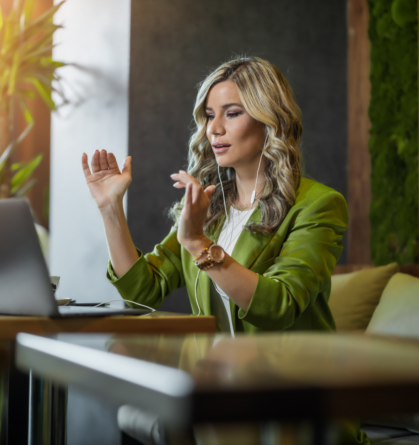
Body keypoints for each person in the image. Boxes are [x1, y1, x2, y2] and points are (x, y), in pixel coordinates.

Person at [81, 57, 368, 445]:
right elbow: (142, 289)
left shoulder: (318, 205)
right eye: (208, 116)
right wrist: (110, 208)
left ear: (271, 120)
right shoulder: (207, 207)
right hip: (221, 400)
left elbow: (280, 303)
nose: (213, 129)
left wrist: (199, 244)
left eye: (231, 114)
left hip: (291, 407)